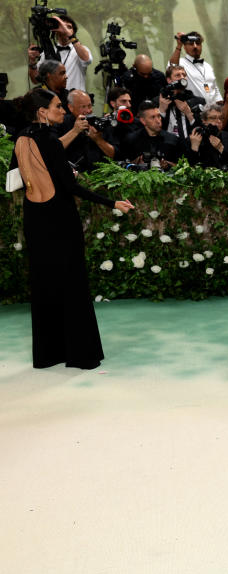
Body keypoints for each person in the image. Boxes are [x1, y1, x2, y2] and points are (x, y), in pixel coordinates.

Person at [9, 89, 134, 369]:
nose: (63, 111)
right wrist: (113, 202)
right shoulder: (50, 140)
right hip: (60, 218)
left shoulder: (21, 138)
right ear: (42, 111)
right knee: (73, 284)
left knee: (44, 285)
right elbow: (71, 187)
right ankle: (81, 355)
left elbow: (14, 179)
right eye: (57, 106)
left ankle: (48, 354)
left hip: (34, 218)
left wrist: (52, 173)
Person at [27, 15, 91, 93]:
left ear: (73, 32)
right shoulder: (48, 52)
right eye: (62, 26)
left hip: (76, 100)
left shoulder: (80, 49)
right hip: (55, 101)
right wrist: (32, 62)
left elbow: (87, 60)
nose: (64, 29)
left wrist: (71, 36)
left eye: (69, 27)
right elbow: (35, 80)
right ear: (55, 30)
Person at [57, 89, 115, 172]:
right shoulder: (61, 123)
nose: (88, 110)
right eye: (83, 107)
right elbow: (53, 150)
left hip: (101, 177)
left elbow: (113, 155)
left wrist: (98, 140)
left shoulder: (99, 124)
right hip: (73, 177)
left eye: (90, 106)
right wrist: (75, 131)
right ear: (70, 107)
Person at [123, 100, 185, 166]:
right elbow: (123, 166)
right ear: (143, 121)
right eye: (153, 117)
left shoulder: (173, 140)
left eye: (159, 116)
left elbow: (181, 167)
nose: (158, 121)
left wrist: (167, 165)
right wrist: (136, 163)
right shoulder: (131, 140)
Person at [168, 31, 221, 106]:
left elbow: (214, 87)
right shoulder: (180, 63)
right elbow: (171, 67)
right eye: (191, 44)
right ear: (185, 47)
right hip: (192, 110)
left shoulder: (208, 66)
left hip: (211, 112)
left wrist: (220, 103)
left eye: (198, 43)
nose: (195, 46)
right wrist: (179, 45)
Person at [186, 104, 228, 169]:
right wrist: (194, 147)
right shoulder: (195, 138)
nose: (218, 121)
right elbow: (191, 168)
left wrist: (221, 148)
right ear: (204, 121)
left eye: (221, 118)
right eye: (213, 118)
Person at [158, 65, 198, 143]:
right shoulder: (160, 100)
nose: (182, 77)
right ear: (169, 80)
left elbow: (199, 128)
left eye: (184, 75)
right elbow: (154, 129)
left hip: (189, 144)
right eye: (178, 75)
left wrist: (189, 114)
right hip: (167, 144)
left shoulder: (194, 101)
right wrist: (161, 111)